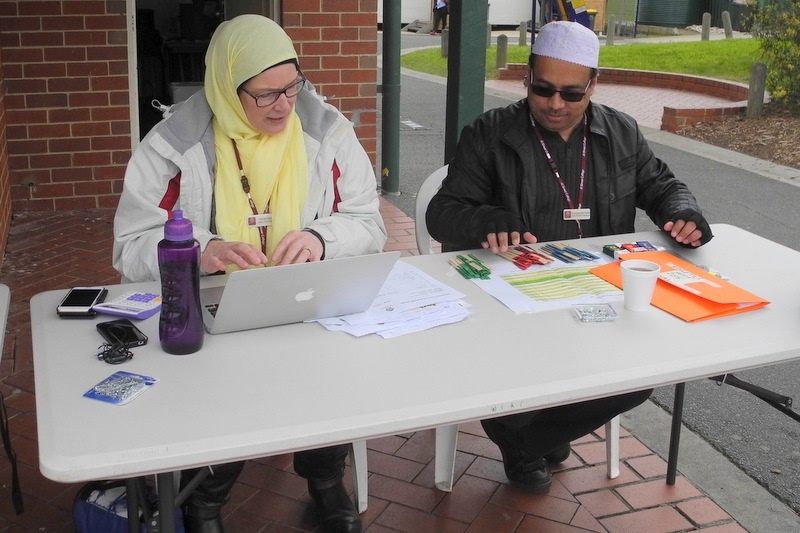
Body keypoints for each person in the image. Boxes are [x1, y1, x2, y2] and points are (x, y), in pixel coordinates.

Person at [113, 14, 386, 533]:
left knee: (331, 371)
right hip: (211, 304)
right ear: (224, 86)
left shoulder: (327, 130)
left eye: (292, 86)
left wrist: (322, 238)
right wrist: (201, 251)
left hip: (304, 296)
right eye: (265, 95)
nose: (284, 105)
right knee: (225, 386)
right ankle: (206, 499)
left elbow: (367, 223)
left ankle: (325, 477)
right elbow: (130, 247)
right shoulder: (174, 146)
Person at [426, 20, 713, 494]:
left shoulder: (621, 132)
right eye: (543, 89)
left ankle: (524, 437)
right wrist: (487, 220)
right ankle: (540, 432)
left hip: (596, 290)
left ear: (593, 86)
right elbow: (443, 213)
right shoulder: (490, 134)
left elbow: (662, 186)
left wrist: (683, 213)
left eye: (572, 93)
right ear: (527, 78)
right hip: (514, 300)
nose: (556, 104)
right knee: (524, 359)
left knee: (644, 375)